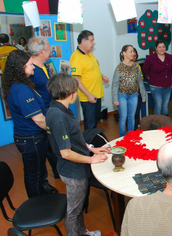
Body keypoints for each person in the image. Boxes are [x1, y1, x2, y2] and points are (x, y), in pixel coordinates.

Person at [46, 73, 108, 236]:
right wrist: (91, 159)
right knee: (73, 211)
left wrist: (90, 148)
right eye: (75, 90)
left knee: (78, 208)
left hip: (75, 167)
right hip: (73, 171)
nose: (77, 93)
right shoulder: (58, 117)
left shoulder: (60, 109)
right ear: (68, 92)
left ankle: (82, 232)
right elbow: (66, 153)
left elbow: (73, 138)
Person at [1, 50, 57, 198]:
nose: (33, 67)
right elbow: (38, 119)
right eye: (30, 64)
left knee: (39, 168)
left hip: (32, 136)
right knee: (34, 173)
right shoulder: (22, 90)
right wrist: (53, 129)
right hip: (31, 138)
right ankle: (36, 202)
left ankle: (43, 188)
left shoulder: (22, 84)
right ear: (20, 67)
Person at [27, 36, 59, 178]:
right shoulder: (30, 71)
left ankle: (58, 171)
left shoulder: (43, 66)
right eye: (48, 47)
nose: (51, 50)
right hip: (41, 114)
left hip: (50, 109)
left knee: (53, 145)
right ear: (42, 51)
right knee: (46, 147)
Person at [70, 30, 110, 130]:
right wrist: (88, 95)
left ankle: (95, 142)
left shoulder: (89, 54)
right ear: (83, 41)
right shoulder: (76, 57)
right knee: (90, 124)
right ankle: (88, 144)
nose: (94, 43)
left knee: (95, 121)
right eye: (91, 41)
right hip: (88, 97)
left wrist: (101, 76)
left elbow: (90, 70)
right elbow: (76, 79)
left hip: (97, 94)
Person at [112, 45, 147, 137]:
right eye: (131, 51)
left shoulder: (136, 67)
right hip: (122, 96)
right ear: (124, 53)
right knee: (123, 117)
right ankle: (122, 137)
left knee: (132, 117)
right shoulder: (119, 68)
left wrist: (143, 95)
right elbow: (115, 85)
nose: (133, 53)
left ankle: (131, 136)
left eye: (133, 51)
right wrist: (115, 99)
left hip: (134, 95)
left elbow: (140, 82)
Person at [142, 40, 172, 115]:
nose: (162, 49)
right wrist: (149, 77)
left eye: (163, 47)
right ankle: (156, 124)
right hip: (156, 86)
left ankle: (165, 124)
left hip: (167, 85)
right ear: (156, 48)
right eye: (159, 47)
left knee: (165, 105)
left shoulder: (170, 57)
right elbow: (144, 70)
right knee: (158, 105)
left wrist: (168, 76)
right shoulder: (150, 58)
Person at [132, 47, 144, 130]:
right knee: (130, 115)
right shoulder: (122, 66)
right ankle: (130, 131)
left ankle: (135, 130)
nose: (133, 56)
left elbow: (140, 79)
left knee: (136, 113)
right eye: (132, 54)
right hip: (128, 94)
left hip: (137, 92)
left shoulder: (137, 66)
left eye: (135, 55)